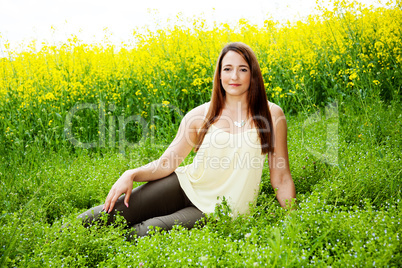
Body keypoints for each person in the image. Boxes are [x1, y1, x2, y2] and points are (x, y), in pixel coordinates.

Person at [78, 42, 296, 239]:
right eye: (227, 69)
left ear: (253, 74)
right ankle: (57, 238)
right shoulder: (199, 116)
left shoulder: (272, 115)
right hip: (184, 186)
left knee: (144, 232)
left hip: (221, 210)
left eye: (243, 69)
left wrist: (295, 219)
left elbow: (282, 177)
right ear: (219, 75)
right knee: (98, 217)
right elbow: (167, 163)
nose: (234, 77)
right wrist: (131, 174)